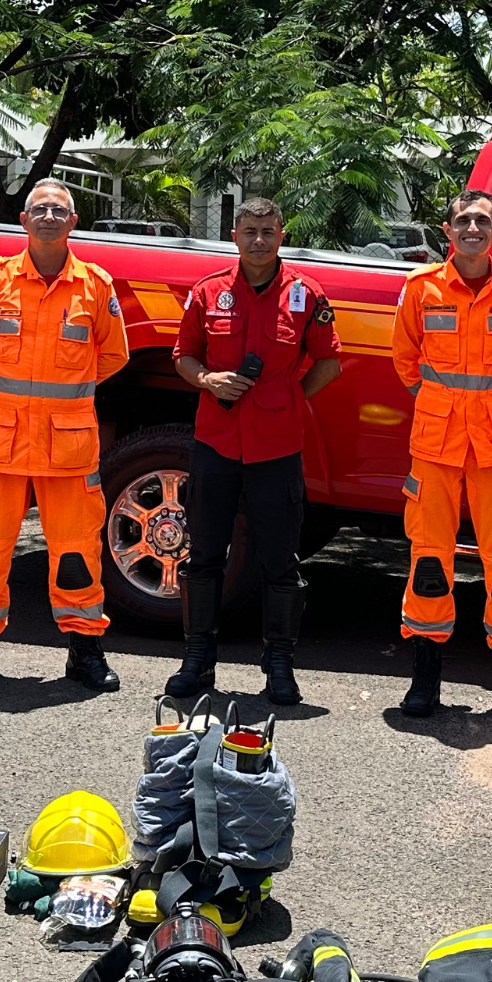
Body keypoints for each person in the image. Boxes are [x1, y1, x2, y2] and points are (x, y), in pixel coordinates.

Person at [0, 178, 130, 691]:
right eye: (39, 209)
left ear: (73, 222)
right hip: (2, 439)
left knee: (76, 551)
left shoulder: (95, 285)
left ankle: (84, 649)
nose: (48, 216)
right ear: (23, 220)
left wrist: (63, 392)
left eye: (58, 210)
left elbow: (113, 355)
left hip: (68, 444)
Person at [168, 197, 342, 706]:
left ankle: (280, 664)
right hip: (216, 442)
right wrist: (208, 379)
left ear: (282, 234)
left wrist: (288, 397)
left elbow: (330, 361)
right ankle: (197, 659)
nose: (259, 240)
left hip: (277, 446)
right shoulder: (208, 292)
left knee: (280, 560)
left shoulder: (306, 294)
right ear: (234, 236)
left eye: (268, 231)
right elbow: (183, 355)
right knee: (204, 555)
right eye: (250, 231)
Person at [390, 188, 492, 722]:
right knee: (429, 558)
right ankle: (425, 679)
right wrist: (442, 404)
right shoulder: (421, 288)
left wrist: (488, 405)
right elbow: (406, 359)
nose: (472, 229)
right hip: (437, 442)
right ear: (448, 230)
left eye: (482, 220)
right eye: (463, 221)